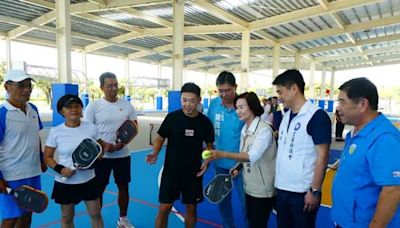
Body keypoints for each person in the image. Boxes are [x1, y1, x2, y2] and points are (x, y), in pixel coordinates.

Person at [331, 78, 400, 228]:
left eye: (342, 102)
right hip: (346, 221)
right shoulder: (356, 133)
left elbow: (393, 190)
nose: (338, 108)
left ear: (362, 104)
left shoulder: (384, 139)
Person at [146, 82, 214, 228]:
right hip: (171, 172)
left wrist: (207, 161)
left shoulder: (205, 123)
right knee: (164, 208)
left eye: (191, 101)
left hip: (193, 173)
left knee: (191, 207)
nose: (187, 104)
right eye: (184, 100)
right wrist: (155, 152)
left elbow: (209, 146)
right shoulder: (172, 118)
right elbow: (160, 137)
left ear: (199, 100)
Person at [272, 69, 331, 228]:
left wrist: (315, 191)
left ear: (294, 88)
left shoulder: (316, 116)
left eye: (281, 92)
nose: (279, 97)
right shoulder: (286, 117)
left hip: (303, 193)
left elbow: (323, 156)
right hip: (282, 188)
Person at [209, 92, 277, 228]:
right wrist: (238, 166)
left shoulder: (264, 130)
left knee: (257, 223)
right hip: (250, 187)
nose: (238, 111)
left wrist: (222, 154)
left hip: (263, 189)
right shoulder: (244, 129)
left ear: (252, 107)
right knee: (252, 221)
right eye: (237, 108)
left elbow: (252, 155)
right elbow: (244, 155)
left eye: (242, 107)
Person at [84, 72, 137, 228]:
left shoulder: (127, 105)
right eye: (109, 85)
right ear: (102, 88)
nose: (114, 88)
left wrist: (123, 142)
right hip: (101, 157)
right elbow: (87, 131)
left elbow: (134, 127)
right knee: (99, 189)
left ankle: (123, 220)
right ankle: (97, 222)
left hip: (123, 155)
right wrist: (105, 146)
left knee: (123, 187)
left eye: (115, 85)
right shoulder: (93, 106)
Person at [44, 94, 104, 228]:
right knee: (67, 218)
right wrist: (61, 169)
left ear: (82, 109)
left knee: (96, 214)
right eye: (69, 107)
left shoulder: (91, 128)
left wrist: (92, 162)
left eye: (77, 106)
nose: (74, 110)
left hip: (89, 180)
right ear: (61, 111)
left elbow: (99, 149)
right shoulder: (56, 131)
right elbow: (47, 157)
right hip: (65, 183)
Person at [0, 69, 46, 227]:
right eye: (21, 86)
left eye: (29, 86)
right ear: (7, 87)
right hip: (11, 175)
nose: (27, 90)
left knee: (27, 212)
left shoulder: (33, 109)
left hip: (33, 171)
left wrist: (41, 159)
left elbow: (35, 136)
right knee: (11, 217)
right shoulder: (2, 114)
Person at [207, 71, 247, 228]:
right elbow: (209, 130)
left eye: (228, 90)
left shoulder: (243, 106)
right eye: (220, 90)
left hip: (242, 165)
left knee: (246, 203)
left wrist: (241, 162)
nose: (224, 94)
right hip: (220, 164)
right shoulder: (214, 104)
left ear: (235, 87)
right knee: (223, 201)